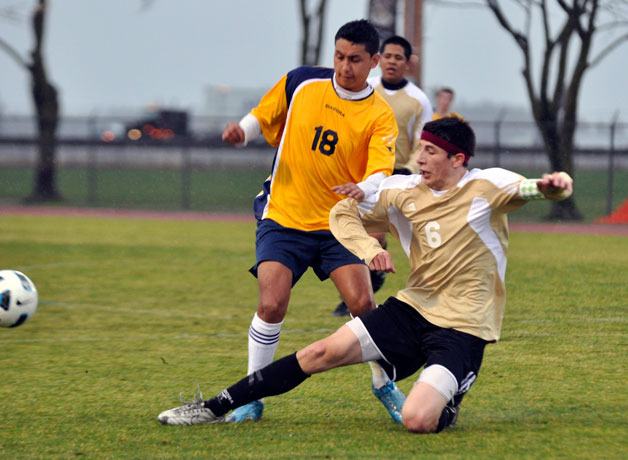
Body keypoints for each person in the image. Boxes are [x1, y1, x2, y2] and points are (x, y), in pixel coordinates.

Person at [158, 117, 574, 433]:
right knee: (318, 353)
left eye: (431, 151)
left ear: (457, 159)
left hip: (464, 325)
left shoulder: (487, 187)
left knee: (417, 420)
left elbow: (536, 189)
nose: (420, 158)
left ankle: (451, 394)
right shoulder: (404, 191)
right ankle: (214, 405)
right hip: (412, 309)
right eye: (421, 149)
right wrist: (370, 248)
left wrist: (555, 185)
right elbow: (342, 213)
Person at [219, 19, 405, 423]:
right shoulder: (302, 82)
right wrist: (243, 133)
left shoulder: (379, 115)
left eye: (355, 59)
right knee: (271, 303)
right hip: (283, 216)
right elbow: (262, 115)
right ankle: (252, 394)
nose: (344, 66)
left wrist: (364, 187)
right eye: (339, 56)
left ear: (373, 62)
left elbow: (380, 171)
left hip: (339, 224)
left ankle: (384, 383)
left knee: (363, 306)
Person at [332, 35, 433, 317]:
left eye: (398, 57)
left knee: (413, 238)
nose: (392, 62)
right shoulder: (368, 90)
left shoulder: (418, 100)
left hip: (401, 177)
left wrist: (410, 169)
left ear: (408, 64)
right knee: (367, 236)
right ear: (379, 59)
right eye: (387, 56)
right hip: (368, 177)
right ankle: (362, 290)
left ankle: (427, 292)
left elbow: (423, 141)